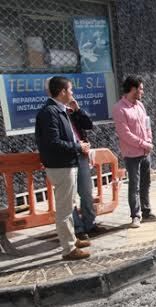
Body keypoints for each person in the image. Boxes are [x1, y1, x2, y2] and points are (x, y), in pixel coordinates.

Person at [35, 76, 92, 260]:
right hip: (61, 166)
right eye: (70, 90)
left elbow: (85, 126)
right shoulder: (49, 112)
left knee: (69, 205)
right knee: (65, 210)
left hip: (68, 164)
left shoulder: (60, 110)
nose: (72, 93)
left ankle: (72, 239)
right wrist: (78, 147)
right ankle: (68, 249)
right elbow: (52, 143)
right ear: (62, 92)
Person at [113, 76, 156, 228]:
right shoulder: (119, 108)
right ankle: (135, 215)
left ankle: (146, 212)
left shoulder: (140, 105)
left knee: (145, 183)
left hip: (145, 151)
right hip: (132, 154)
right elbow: (124, 133)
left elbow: (147, 123)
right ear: (133, 89)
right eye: (140, 88)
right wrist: (143, 143)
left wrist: (149, 140)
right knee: (134, 185)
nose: (142, 91)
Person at [67, 101, 107, 240]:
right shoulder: (53, 113)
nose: (71, 94)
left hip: (82, 156)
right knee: (70, 197)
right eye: (69, 90)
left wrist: (77, 109)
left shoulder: (72, 112)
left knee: (86, 192)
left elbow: (88, 125)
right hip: (67, 159)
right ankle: (78, 229)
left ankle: (90, 224)